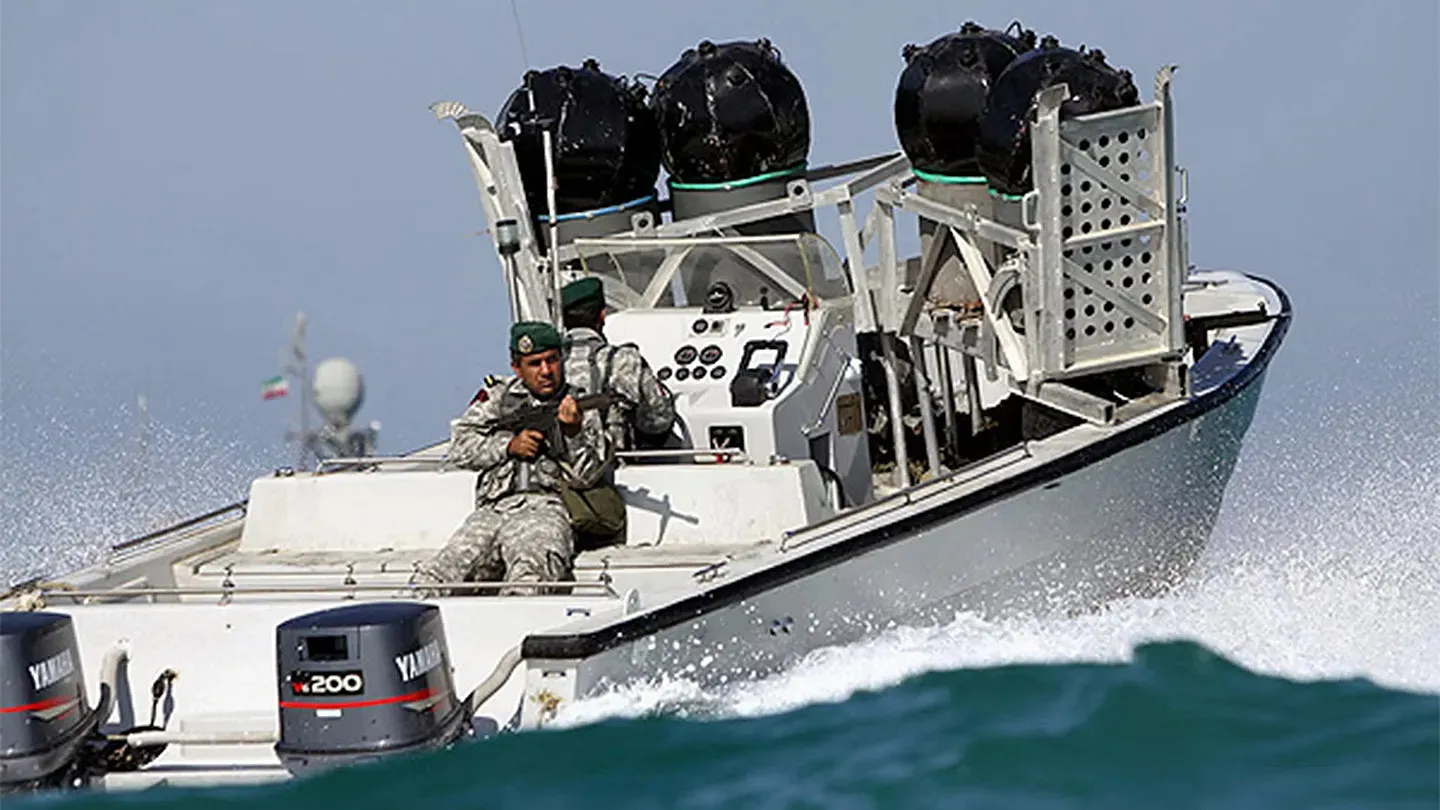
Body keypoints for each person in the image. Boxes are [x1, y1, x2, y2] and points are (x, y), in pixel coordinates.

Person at [416, 321, 612, 595]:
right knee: (438, 574)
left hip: (547, 510)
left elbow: (587, 476)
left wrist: (573, 434)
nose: (546, 371)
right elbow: (460, 448)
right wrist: (508, 446)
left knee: (529, 578)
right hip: (493, 511)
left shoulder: (577, 404)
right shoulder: (498, 399)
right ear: (516, 367)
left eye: (552, 360)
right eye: (535, 364)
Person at [559, 276, 676, 449]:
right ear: (602, 315)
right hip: (612, 462)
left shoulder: (545, 364)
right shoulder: (623, 359)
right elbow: (658, 420)